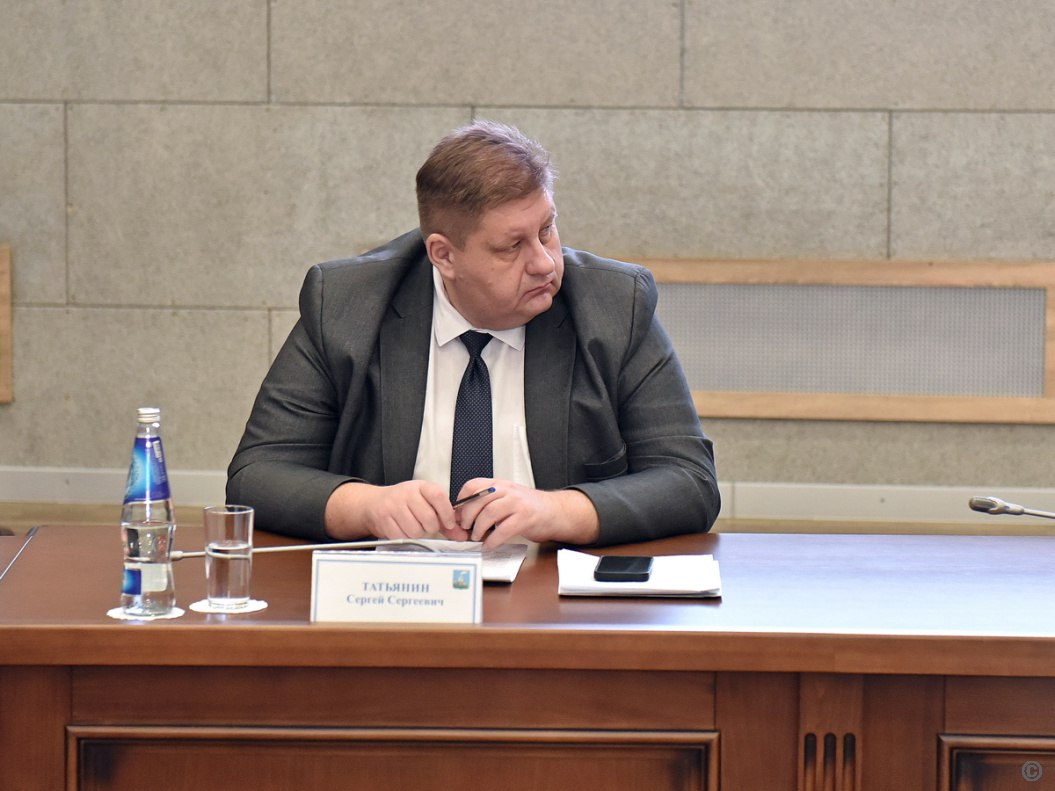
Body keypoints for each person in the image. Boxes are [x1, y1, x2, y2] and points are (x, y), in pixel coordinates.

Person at [228, 120, 720, 549]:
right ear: (443, 255)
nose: (544, 263)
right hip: (398, 591)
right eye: (512, 247)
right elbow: (256, 476)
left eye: (546, 230)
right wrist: (365, 506)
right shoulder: (347, 305)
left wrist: (558, 511)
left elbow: (689, 481)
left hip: (550, 590)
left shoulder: (613, 304)